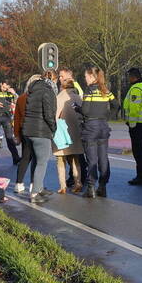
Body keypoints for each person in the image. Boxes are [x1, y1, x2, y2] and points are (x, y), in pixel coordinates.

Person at [75, 65, 117, 198]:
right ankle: (102, 187)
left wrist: (77, 108)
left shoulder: (90, 91)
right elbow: (116, 105)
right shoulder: (105, 90)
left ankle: (91, 188)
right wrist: (107, 116)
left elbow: (86, 111)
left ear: (92, 77)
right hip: (103, 127)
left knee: (92, 159)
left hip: (90, 128)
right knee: (103, 158)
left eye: (86, 76)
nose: (85, 79)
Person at [22, 70, 58, 202]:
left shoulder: (33, 90)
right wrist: (54, 128)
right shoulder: (48, 91)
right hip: (41, 131)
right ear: (53, 79)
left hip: (28, 130)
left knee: (36, 161)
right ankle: (35, 194)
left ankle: (39, 187)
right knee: (42, 162)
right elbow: (49, 114)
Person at [123, 67, 142, 185]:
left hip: (137, 125)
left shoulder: (136, 89)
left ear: (133, 77)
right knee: (141, 149)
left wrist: (132, 125)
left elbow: (134, 109)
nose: (128, 78)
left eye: (129, 76)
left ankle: (141, 176)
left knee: (138, 151)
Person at [58, 67, 87, 187]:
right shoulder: (68, 87)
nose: (59, 78)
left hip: (74, 125)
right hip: (71, 124)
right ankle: (76, 176)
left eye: (61, 76)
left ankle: (80, 177)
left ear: (68, 77)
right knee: (73, 153)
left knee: (76, 154)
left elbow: (79, 105)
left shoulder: (74, 88)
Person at [54, 78, 83, 193]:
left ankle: (62, 186)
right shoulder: (77, 98)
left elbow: (55, 116)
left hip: (62, 132)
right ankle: (78, 182)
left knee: (61, 159)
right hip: (76, 132)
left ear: (62, 87)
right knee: (75, 159)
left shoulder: (59, 97)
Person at [12, 74, 38, 193]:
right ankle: (33, 184)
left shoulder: (21, 98)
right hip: (37, 129)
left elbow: (16, 118)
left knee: (25, 157)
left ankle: (19, 183)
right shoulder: (39, 97)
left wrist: (16, 134)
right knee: (37, 158)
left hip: (24, 130)